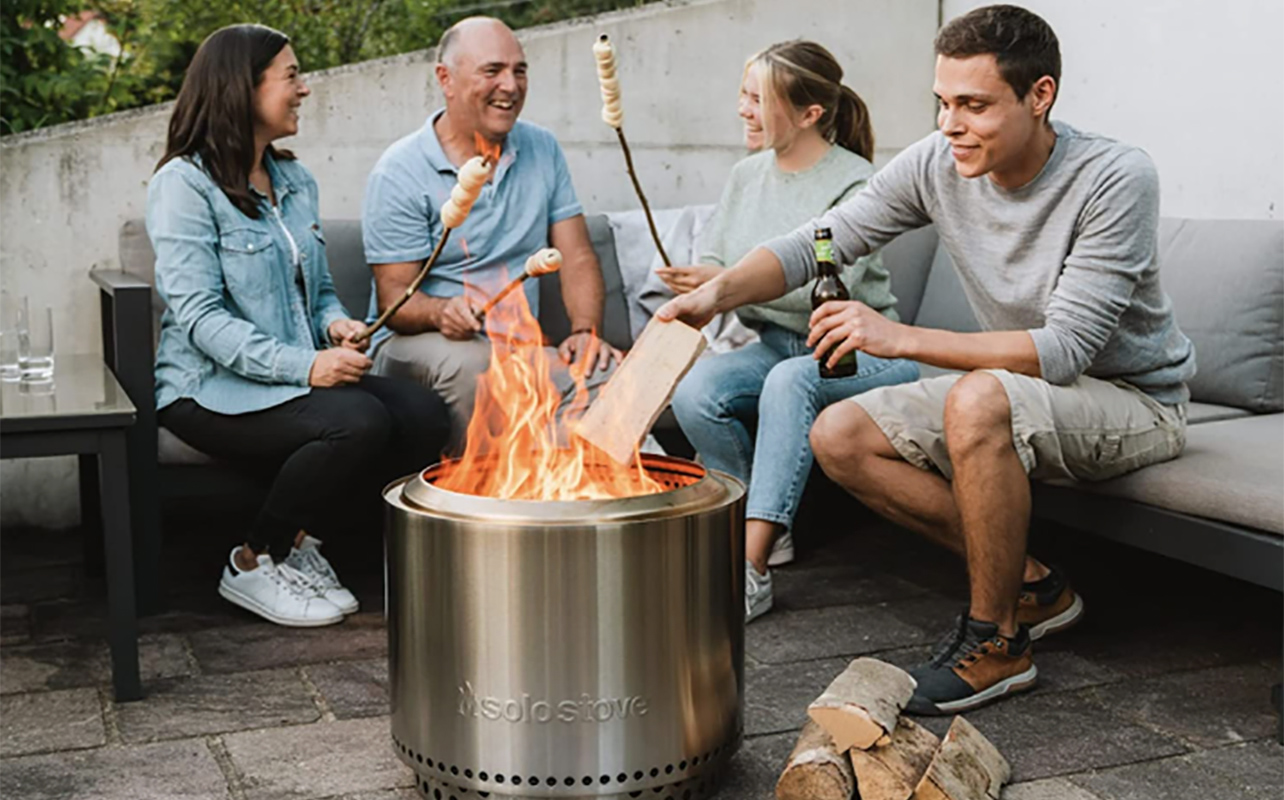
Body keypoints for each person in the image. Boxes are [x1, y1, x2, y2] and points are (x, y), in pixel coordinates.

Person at [657, 4, 1194, 714]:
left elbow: (1064, 350)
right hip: (1021, 386)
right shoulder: (940, 162)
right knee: (839, 435)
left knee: (977, 396)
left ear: (1040, 96)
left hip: (1130, 398)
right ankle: (1034, 587)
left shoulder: (1114, 177)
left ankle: (997, 641)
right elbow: (818, 240)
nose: (950, 124)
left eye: (974, 105)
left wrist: (896, 336)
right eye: (942, 103)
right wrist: (718, 292)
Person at [148, 24, 451, 628]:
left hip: (288, 377)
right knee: (356, 420)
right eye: (291, 76)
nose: (304, 89)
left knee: (422, 412)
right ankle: (253, 561)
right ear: (243, 87)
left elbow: (318, 294)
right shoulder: (182, 185)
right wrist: (307, 365)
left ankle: (303, 544)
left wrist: (337, 326)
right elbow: (202, 319)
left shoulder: (294, 180)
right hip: (207, 388)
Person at [662, 41, 919, 623]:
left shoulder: (855, 183)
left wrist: (730, 281)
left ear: (810, 114)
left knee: (787, 384)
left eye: (759, 99)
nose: (743, 110)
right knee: (697, 390)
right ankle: (755, 521)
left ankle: (749, 572)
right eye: (743, 95)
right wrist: (709, 277)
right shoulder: (746, 175)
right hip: (776, 346)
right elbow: (720, 255)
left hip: (858, 352)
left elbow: (821, 287)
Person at [362, 17, 621, 443]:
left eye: (520, 71)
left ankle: (577, 498)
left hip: (518, 350)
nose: (511, 85)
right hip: (418, 345)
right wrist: (440, 311)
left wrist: (585, 331)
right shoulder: (399, 171)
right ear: (446, 79)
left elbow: (575, 255)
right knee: (476, 367)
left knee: (613, 375)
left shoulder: (542, 148)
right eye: (492, 71)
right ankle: (479, 503)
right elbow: (395, 300)